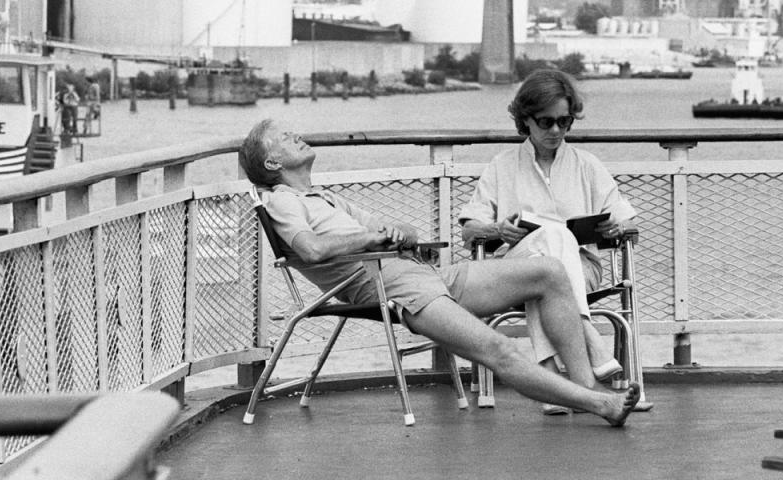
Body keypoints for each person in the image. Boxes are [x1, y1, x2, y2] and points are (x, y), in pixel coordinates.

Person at [238, 118, 640, 426]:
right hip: (394, 289)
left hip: (423, 273)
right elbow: (309, 249)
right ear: (272, 162)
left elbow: (402, 231)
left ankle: (586, 381)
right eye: (285, 138)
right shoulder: (283, 201)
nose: (297, 136)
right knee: (497, 348)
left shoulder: (324, 198)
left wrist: (399, 233)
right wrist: (370, 239)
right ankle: (600, 403)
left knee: (550, 272)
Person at [458, 69, 638, 415]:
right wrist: (497, 231)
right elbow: (469, 230)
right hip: (519, 271)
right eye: (546, 122)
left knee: (551, 260)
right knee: (550, 243)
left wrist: (617, 228)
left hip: (580, 271)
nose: (556, 130)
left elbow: (626, 218)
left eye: (564, 121)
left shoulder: (587, 165)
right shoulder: (502, 165)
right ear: (525, 120)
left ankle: (551, 378)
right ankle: (588, 365)